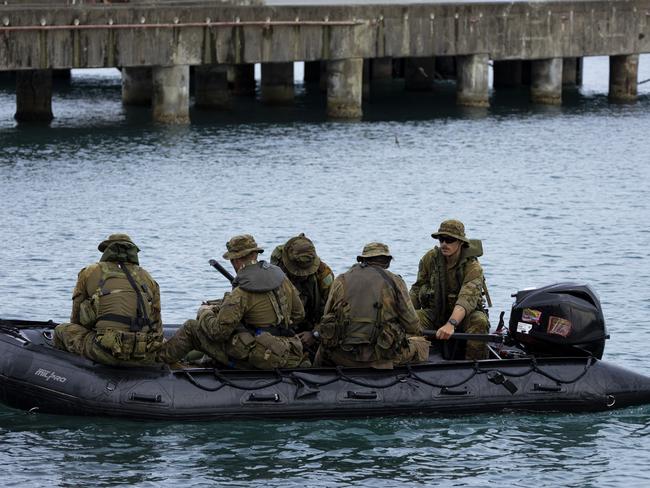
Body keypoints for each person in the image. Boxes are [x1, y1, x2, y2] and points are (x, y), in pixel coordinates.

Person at [158, 234, 307, 369]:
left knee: (191, 327)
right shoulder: (282, 279)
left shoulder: (241, 292)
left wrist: (205, 313)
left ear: (235, 260)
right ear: (255, 254)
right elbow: (299, 314)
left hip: (261, 358)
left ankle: (156, 361)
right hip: (287, 351)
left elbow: (218, 333)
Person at [313, 242, 429, 369]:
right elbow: (412, 324)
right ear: (387, 262)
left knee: (323, 348)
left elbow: (327, 315)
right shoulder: (395, 281)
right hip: (379, 360)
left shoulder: (341, 280)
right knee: (422, 344)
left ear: (362, 260)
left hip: (342, 357)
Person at [53, 234, 163, 366]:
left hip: (105, 351)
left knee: (61, 330)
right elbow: (156, 325)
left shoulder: (89, 271)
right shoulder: (147, 277)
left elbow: (76, 318)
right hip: (141, 354)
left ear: (106, 250)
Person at [409, 219, 490, 360]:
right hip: (435, 313)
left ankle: (475, 365)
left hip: (463, 317)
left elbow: (467, 298)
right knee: (410, 321)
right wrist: (405, 314)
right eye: (441, 239)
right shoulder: (430, 259)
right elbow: (417, 288)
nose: (444, 244)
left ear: (460, 242)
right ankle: (411, 361)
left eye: (450, 240)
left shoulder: (472, 267)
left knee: (480, 321)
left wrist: (451, 324)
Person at [270, 233, 335, 352]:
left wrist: (314, 334)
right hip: (281, 327)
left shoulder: (324, 275)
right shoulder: (275, 271)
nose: (302, 275)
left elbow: (334, 311)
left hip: (312, 327)